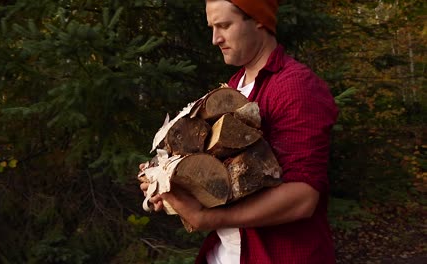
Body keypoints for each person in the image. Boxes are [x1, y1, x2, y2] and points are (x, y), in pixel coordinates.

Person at [140, 0, 339, 263]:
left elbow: (303, 197)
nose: (215, 39)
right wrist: (170, 186)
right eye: (212, 27)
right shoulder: (233, 87)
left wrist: (207, 218)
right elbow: (225, 181)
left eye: (224, 25)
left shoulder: (295, 87)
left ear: (258, 19)